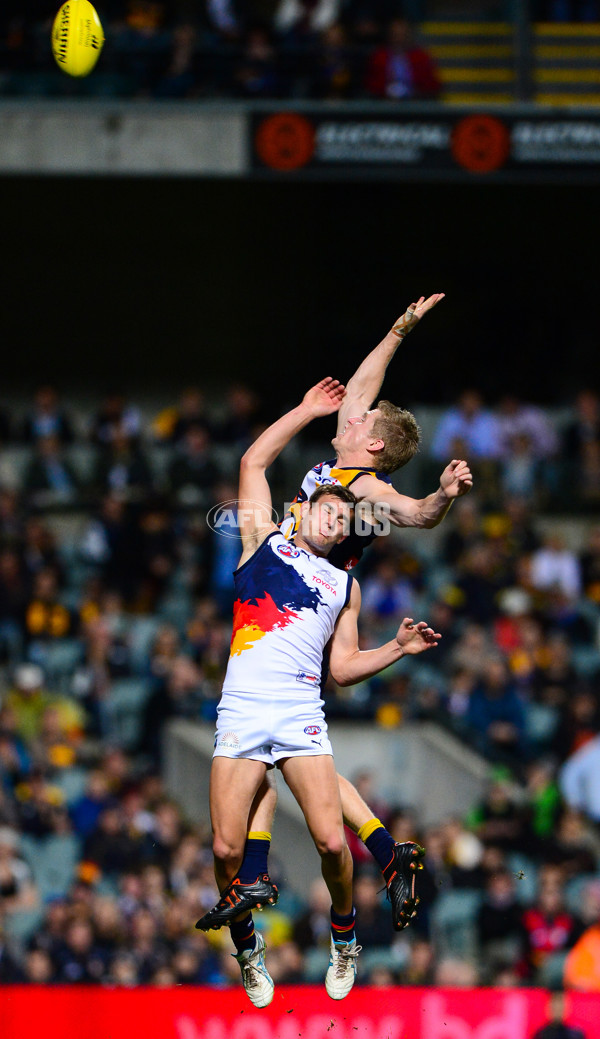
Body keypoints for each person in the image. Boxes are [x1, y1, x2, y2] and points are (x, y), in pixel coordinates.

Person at [213, 295, 472, 927]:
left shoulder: (365, 486)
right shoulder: (345, 459)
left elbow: (411, 514)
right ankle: (387, 852)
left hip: (319, 591)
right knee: (308, 757)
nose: (350, 414)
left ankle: (337, 898)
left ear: (373, 439)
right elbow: (362, 386)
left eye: (362, 420)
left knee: (304, 765)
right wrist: (399, 329)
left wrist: (439, 496)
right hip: (296, 578)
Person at [196, 377, 441, 1007]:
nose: (335, 518)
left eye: (344, 515)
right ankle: (249, 952)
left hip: (301, 711)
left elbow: (346, 668)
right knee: (226, 851)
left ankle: (344, 936)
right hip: (243, 711)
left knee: (333, 841)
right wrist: (306, 410)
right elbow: (254, 461)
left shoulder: (344, 588)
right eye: (326, 507)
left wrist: (397, 649)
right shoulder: (259, 542)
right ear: (302, 511)